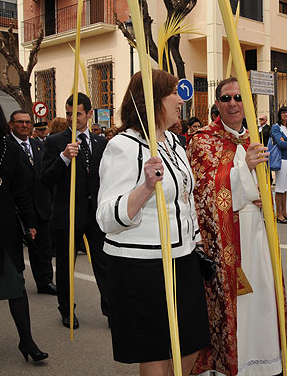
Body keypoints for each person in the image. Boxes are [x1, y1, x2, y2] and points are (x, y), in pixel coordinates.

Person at [95, 70, 209, 375]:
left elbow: (186, 196)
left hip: (182, 258)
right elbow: (106, 216)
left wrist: (195, 240)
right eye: (173, 93)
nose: (181, 99)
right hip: (142, 266)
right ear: (153, 101)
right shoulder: (124, 146)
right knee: (157, 351)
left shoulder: (173, 141)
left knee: (192, 342)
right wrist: (145, 187)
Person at [188, 77, 287, 376]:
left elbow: (266, 184)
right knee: (237, 302)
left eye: (238, 97)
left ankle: (266, 359)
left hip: (257, 232)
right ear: (217, 104)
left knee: (263, 293)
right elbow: (204, 191)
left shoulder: (254, 138)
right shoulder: (203, 140)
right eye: (226, 98)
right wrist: (244, 169)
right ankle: (234, 363)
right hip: (227, 237)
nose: (233, 103)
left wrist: (263, 194)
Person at [0, 96, 48, 363]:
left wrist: (30, 222)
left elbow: (20, 190)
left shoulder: (10, 150)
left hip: (6, 229)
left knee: (16, 288)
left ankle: (27, 341)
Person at [42, 93, 109, 329]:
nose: (72, 118)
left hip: (95, 215)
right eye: (68, 113)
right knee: (65, 265)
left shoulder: (101, 143)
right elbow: (46, 178)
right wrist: (63, 158)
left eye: (77, 114)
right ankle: (67, 309)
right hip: (68, 213)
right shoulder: (56, 142)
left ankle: (110, 309)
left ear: (89, 114)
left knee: (104, 262)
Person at [7, 110, 56, 295]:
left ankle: (45, 282)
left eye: (28, 122)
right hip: (17, 207)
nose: (25, 125)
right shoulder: (7, 146)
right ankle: (13, 284)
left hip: (41, 205)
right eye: (20, 122)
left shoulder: (38, 145)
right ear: (11, 125)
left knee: (43, 248)